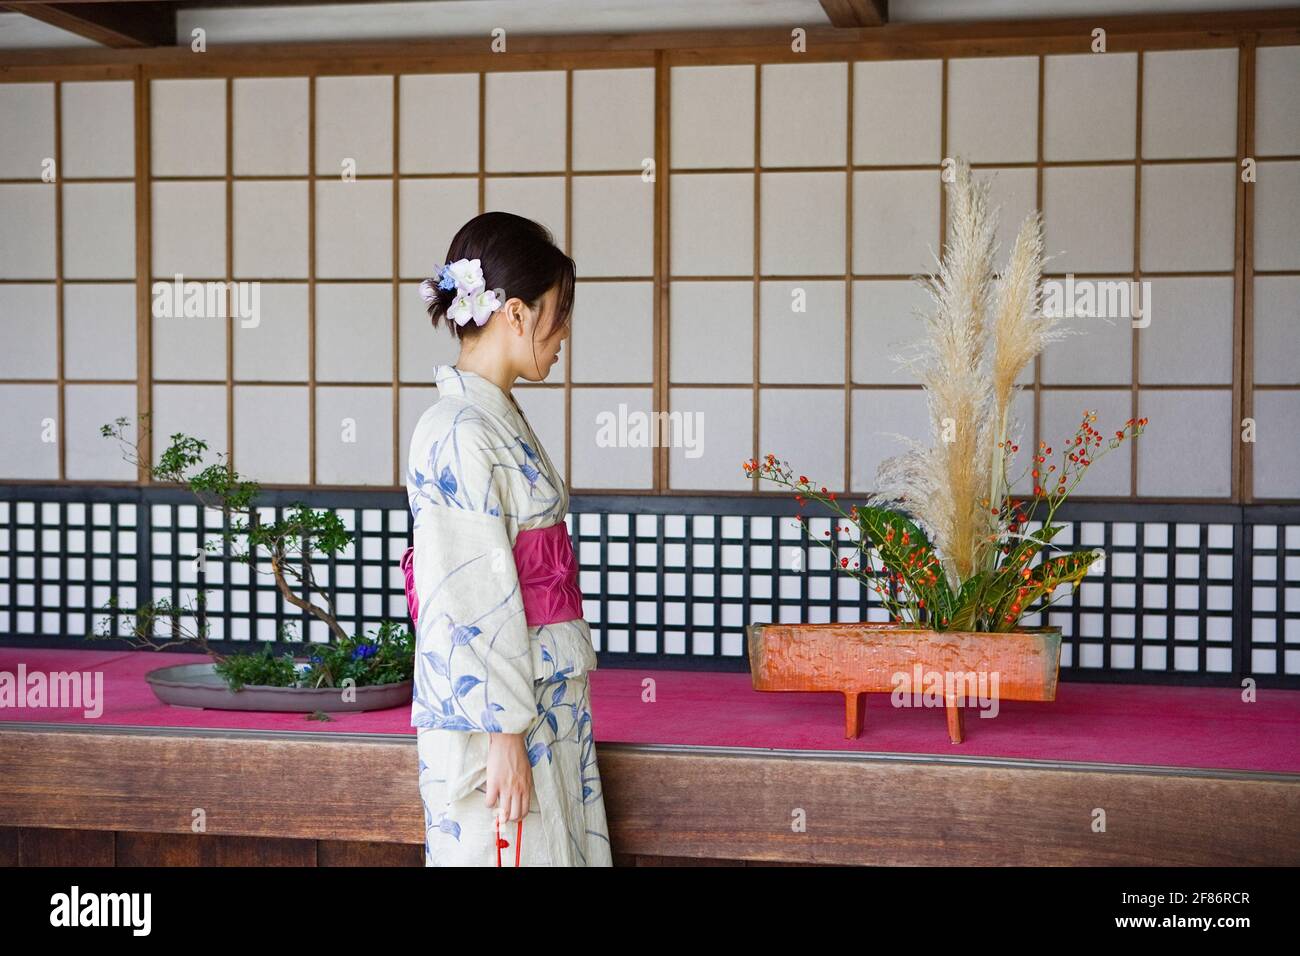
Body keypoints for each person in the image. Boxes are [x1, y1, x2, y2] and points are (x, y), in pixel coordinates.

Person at [404, 211, 612, 866]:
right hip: (498, 725)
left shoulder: (490, 418)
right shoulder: (457, 429)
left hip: (537, 704)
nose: (566, 331)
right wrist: (502, 734)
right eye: (559, 311)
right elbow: (468, 596)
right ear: (516, 314)